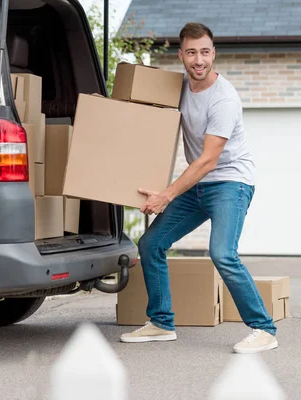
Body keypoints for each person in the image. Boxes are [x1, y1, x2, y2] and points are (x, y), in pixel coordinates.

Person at [119, 22, 278, 354]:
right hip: (199, 186)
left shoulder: (224, 100)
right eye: (191, 53)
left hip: (231, 182)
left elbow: (208, 160)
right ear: (181, 55)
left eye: (205, 52)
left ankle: (264, 329)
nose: (199, 60)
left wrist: (167, 194)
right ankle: (162, 323)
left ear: (214, 53)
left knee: (222, 253)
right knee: (150, 244)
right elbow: (142, 112)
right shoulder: (180, 88)